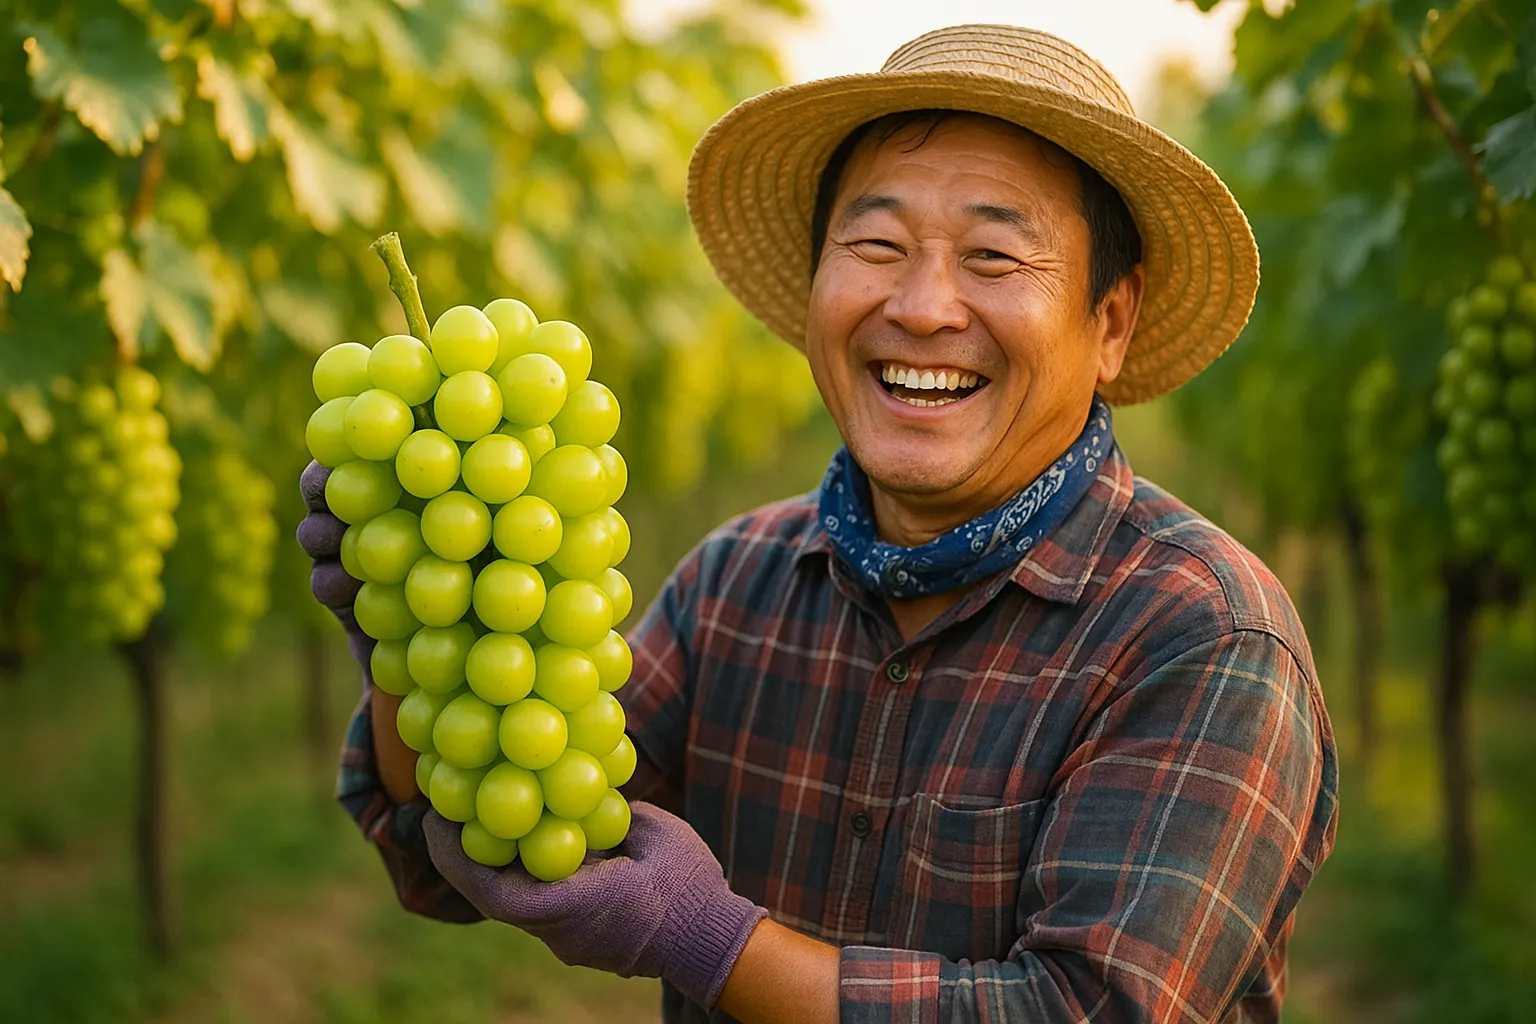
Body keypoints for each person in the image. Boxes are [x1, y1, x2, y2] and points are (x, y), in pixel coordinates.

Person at [298, 23, 1337, 1024]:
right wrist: (425, 635)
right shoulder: (736, 579)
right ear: (811, 290)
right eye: (877, 243)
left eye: (993, 258)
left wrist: (711, 940)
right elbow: (483, 850)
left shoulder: (1207, 638)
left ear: (1109, 323)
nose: (925, 306)